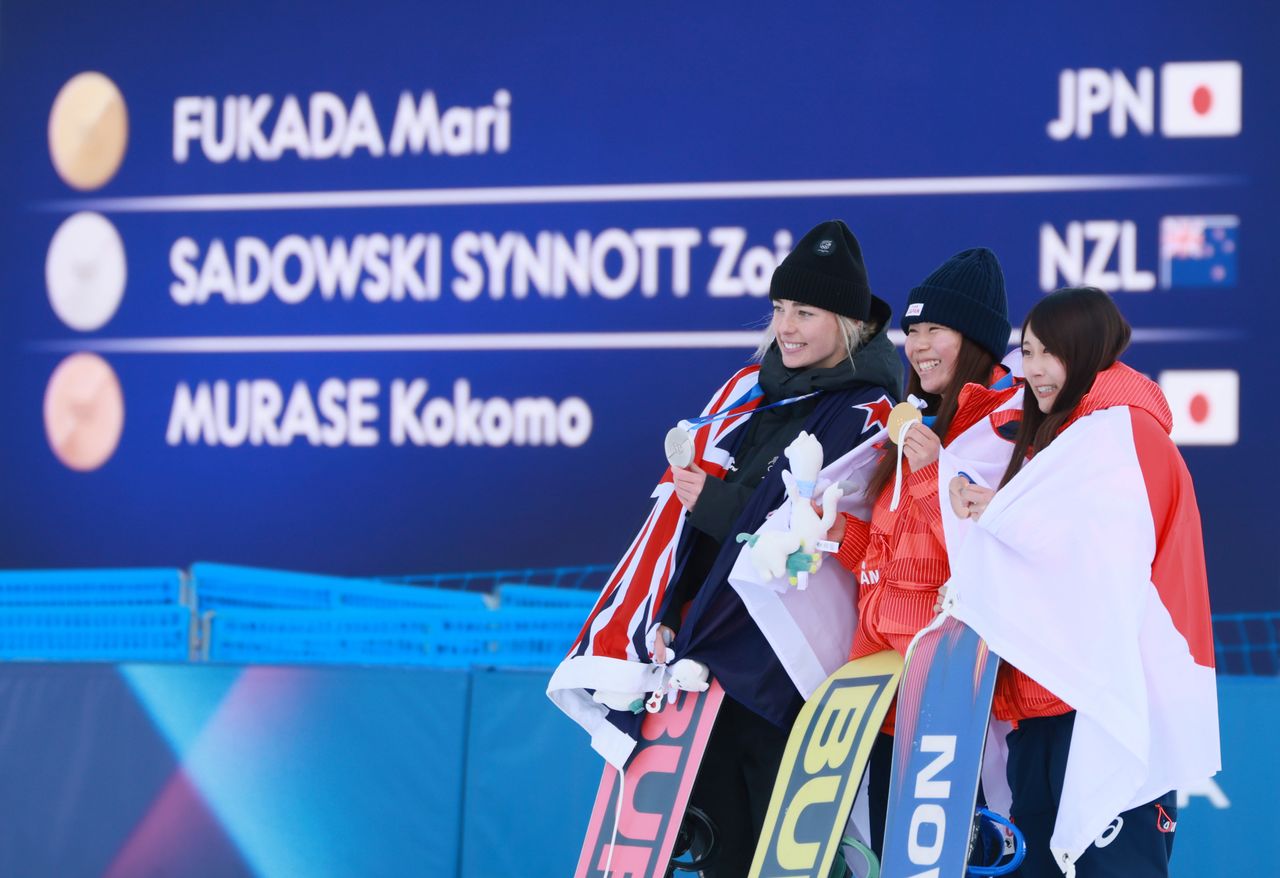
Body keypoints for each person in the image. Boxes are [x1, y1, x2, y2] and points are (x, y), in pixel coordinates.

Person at [552, 218, 903, 877]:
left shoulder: (871, 408)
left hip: (787, 675)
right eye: (778, 309)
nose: (787, 326)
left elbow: (803, 520)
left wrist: (707, 502)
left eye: (805, 311)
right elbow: (688, 532)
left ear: (850, 323)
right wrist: (668, 610)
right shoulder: (750, 392)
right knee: (719, 853)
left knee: (795, 859)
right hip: (706, 661)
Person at [943, 287, 1219, 877]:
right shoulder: (1059, 435)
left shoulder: (1129, 434)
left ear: (1090, 352)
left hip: (1104, 707)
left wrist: (1003, 512)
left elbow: (1106, 553)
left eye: (1052, 352)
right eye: (1028, 350)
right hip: (1040, 710)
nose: (1035, 369)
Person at [824, 247, 1020, 856]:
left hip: (954, 706)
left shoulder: (1005, 428)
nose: (918, 343)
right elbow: (890, 560)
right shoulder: (913, 427)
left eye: (935, 328)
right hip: (882, 694)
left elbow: (983, 554)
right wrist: (827, 528)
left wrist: (937, 469)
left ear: (978, 339)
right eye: (911, 330)